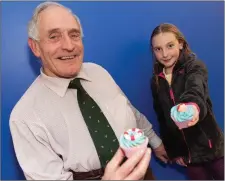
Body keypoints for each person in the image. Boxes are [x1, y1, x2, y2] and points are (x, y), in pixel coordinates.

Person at [9, 2, 167, 180]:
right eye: (54, 36)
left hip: (141, 169)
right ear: (35, 47)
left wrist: (155, 141)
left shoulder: (98, 72)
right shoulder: (25, 116)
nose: (69, 46)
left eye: (74, 35)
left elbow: (129, 111)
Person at [150, 23, 224, 180]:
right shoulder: (156, 81)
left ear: (181, 44)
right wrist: (175, 151)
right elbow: (163, 119)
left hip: (213, 150)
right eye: (158, 49)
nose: (165, 54)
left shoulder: (194, 66)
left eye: (170, 46)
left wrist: (190, 107)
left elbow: (195, 90)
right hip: (188, 157)